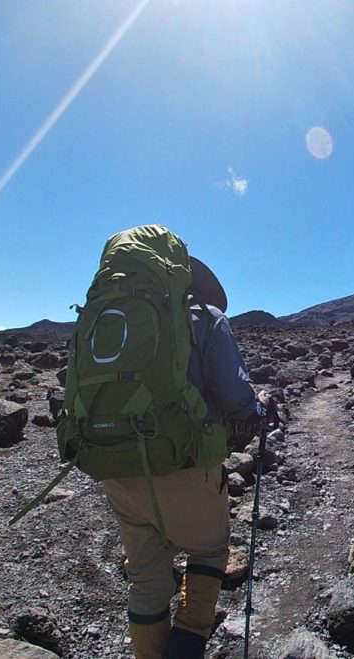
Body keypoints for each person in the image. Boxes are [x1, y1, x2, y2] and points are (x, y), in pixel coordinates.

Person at [102, 254, 272, 659]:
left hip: (113, 462)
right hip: (183, 464)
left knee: (145, 577)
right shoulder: (206, 316)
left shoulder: (111, 318)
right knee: (209, 549)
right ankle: (189, 638)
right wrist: (261, 407)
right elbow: (235, 398)